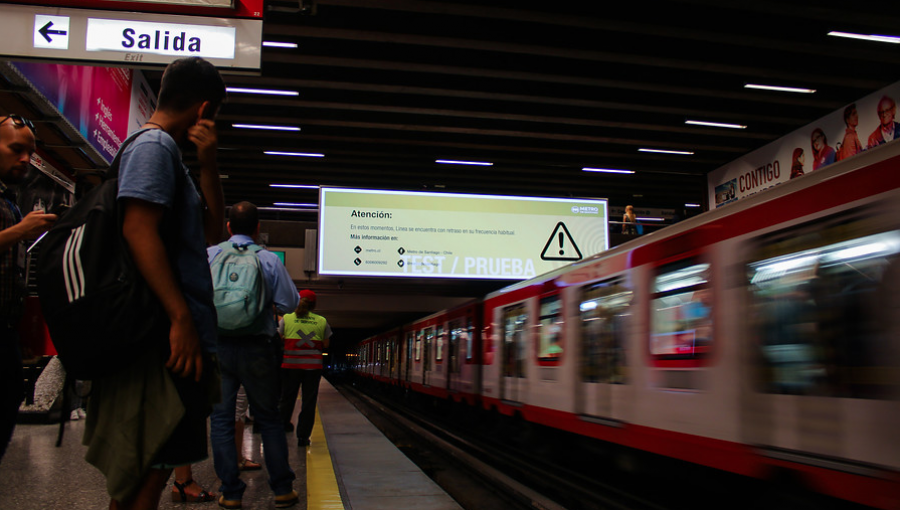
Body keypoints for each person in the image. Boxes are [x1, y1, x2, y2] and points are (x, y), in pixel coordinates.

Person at [81, 57, 226, 510]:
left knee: (156, 469)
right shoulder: (154, 146)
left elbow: (212, 233)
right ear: (204, 109)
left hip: (168, 336)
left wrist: (207, 164)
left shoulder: (169, 154)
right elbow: (138, 230)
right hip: (159, 337)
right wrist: (180, 317)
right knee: (144, 474)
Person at [207, 201, 300, 509]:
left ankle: (231, 492)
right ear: (258, 229)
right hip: (258, 347)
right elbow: (289, 303)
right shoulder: (269, 259)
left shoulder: (211, 256)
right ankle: (282, 490)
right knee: (268, 419)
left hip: (219, 346)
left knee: (221, 420)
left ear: (229, 227)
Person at [0, 114, 57, 463]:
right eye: (15, 149)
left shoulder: (9, 200)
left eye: (30, 153)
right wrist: (20, 231)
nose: (25, 159)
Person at [278, 290, 332, 447]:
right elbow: (326, 344)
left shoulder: (287, 319)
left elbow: (280, 337)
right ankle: (303, 437)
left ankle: (281, 430)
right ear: (314, 305)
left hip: (290, 366)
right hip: (312, 368)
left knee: (287, 399)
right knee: (308, 402)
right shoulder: (321, 321)